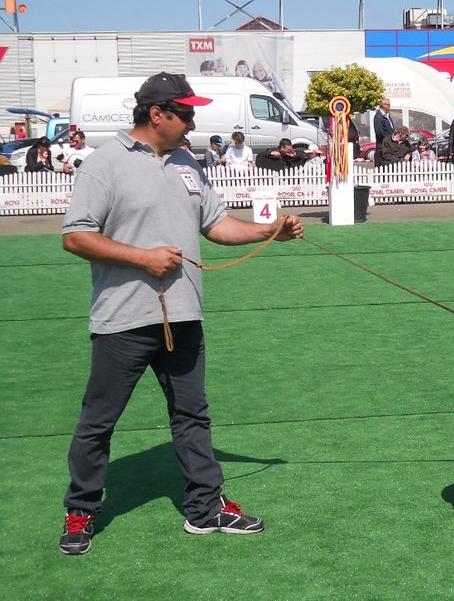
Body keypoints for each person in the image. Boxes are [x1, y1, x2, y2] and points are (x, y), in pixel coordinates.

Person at [58, 72, 304, 556]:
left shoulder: (187, 161)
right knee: (98, 421)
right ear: (157, 114)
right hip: (123, 319)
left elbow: (215, 224)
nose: (193, 121)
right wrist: (142, 257)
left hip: (185, 315)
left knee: (192, 415)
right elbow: (75, 236)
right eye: (186, 112)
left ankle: (205, 508)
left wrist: (267, 231)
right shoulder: (104, 164)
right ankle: (81, 509)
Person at [373, 98, 394, 168]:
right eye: (388, 105)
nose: (390, 106)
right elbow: (380, 132)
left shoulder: (387, 116)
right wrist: (390, 139)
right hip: (382, 147)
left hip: (388, 146)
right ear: (383, 105)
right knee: (381, 168)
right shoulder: (379, 117)